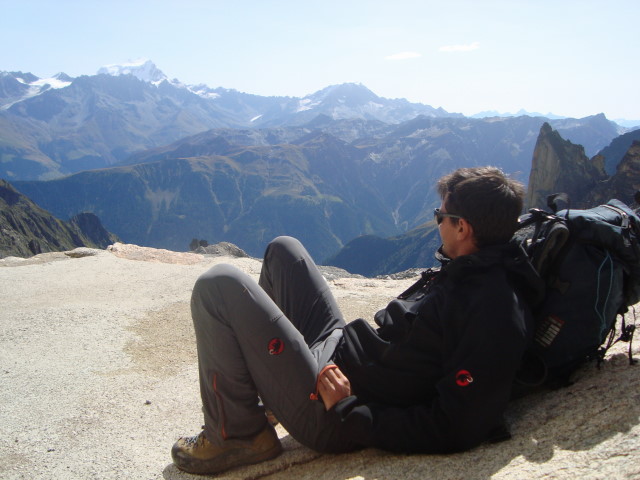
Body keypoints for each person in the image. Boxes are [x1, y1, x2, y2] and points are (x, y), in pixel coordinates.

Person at [171, 166, 544, 475]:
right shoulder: (477, 267)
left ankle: (237, 436)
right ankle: (273, 393)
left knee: (217, 284)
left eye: (440, 216)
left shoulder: (492, 311)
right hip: (338, 353)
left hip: (330, 413)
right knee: (284, 251)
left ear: (463, 228)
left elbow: (456, 425)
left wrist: (350, 411)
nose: (436, 223)